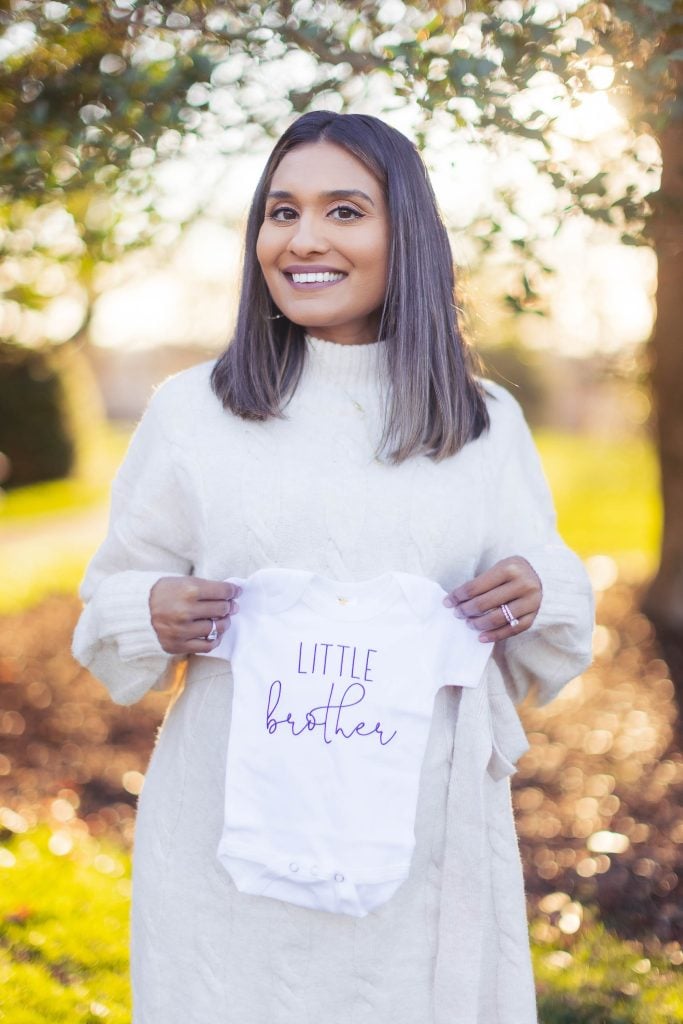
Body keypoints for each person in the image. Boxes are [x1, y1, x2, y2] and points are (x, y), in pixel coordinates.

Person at [72, 111, 594, 1024]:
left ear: (407, 236)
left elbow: (548, 604)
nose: (302, 239)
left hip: (426, 837)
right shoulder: (192, 411)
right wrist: (145, 609)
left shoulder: (482, 420)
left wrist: (537, 592)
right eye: (281, 212)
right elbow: (109, 600)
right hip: (225, 839)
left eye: (344, 210)